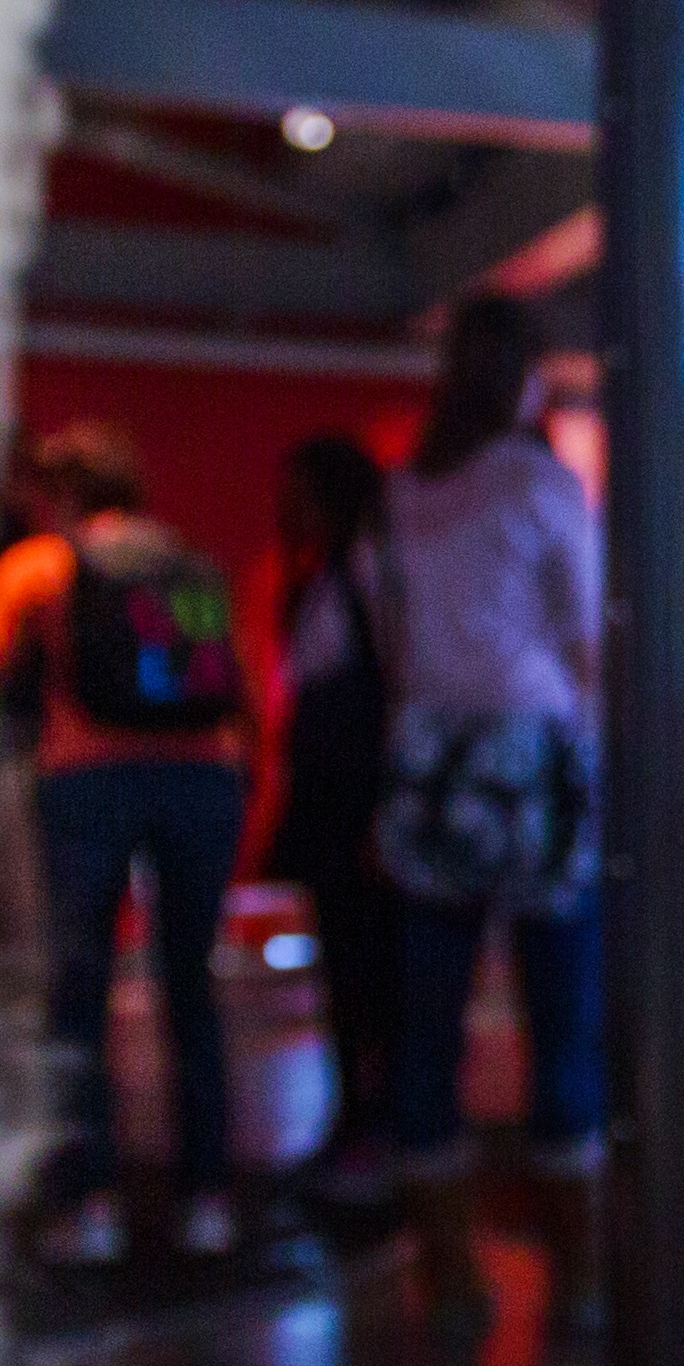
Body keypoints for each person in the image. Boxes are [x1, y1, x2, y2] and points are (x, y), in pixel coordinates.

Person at [0, 417, 249, 1271]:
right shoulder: (183, 557)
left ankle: (90, 1205)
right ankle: (209, 1200)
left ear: (61, 494)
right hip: (205, 781)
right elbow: (237, 682)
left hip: (90, 780)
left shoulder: (42, 564)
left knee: (78, 991)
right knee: (192, 986)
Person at [376, 295, 603, 1326]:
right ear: (524, 379)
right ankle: (578, 1270)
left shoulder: (405, 491)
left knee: (425, 1019)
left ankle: (450, 1268)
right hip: (529, 758)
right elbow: (587, 631)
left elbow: (390, 638)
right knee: (563, 1010)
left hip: (427, 759)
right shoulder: (537, 480)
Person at [256, 429, 402, 1199]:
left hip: (357, 807)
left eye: (298, 490)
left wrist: (384, 811)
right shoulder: (326, 580)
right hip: (334, 806)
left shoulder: (365, 576)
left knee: (368, 973)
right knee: (349, 974)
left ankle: (376, 1132)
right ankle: (362, 1125)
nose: (285, 506)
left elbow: (382, 699)